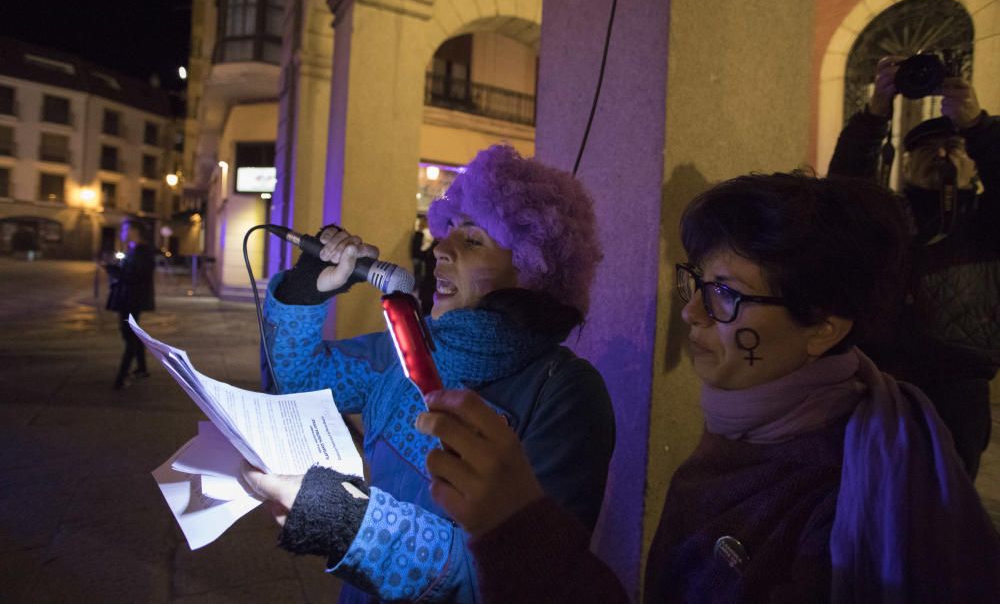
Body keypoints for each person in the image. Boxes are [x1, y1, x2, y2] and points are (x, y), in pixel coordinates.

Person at [417, 172, 1000, 603]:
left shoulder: (842, 500)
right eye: (697, 280)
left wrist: (519, 527)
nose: (692, 312)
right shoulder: (747, 432)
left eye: (728, 294)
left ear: (824, 325)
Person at [241, 145, 616, 604]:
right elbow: (296, 385)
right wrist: (307, 288)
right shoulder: (409, 347)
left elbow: (519, 576)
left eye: (472, 239)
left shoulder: (567, 394)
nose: (440, 249)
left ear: (534, 270)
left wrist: (350, 523)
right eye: (448, 231)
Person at [828, 58, 1000, 478]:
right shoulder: (886, 217)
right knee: (866, 489)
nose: (941, 153)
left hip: (958, 384)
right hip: (878, 377)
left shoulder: (987, 220)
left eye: (954, 147)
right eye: (925, 149)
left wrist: (978, 127)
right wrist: (875, 114)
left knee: (947, 505)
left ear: (973, 164)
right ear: (904, 165)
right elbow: (842, 192)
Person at [104, 219, 156, 389]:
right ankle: (141, 368)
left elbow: (134, 276)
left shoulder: (142, 252)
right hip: (128, 298)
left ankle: (122, 376)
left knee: (129, 336)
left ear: (135, 231)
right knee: (132, 333)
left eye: (125, 230)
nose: (122, 234)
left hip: (133, 300)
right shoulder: (134, 250)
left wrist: (112, 270)